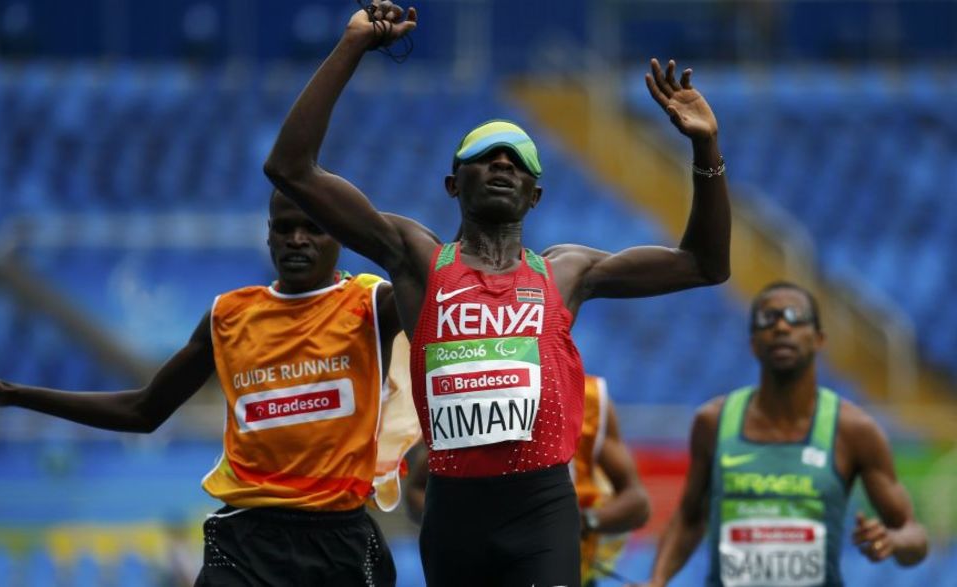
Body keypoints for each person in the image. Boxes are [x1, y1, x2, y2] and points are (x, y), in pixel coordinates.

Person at [263, 2, 730, 584]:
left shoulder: (566, 273)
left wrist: (706, 149)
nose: (503, 163)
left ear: (535, 195)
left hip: (542, 509)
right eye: (485, 158)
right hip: (454, 511)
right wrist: (352, 45)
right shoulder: (417, 260)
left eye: (519, 160)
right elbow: (291, 169)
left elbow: (705, 265)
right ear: (453, 184)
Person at [0, 190, 413, 587]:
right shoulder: (228, 317)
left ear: (340, 235)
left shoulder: (372, 305)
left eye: (314, 228)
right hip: (247, 541)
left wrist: (365, 221)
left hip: (340, 542)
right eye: (284, 227)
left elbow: (426, 267)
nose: (297, 239)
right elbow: (142, 410)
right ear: (268, 234)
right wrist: (13, 394)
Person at [633, 281, 929, 587]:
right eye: (768, 319)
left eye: (795, 317)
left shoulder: (854, 429)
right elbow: (689, 517)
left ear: (819, 340)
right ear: (753, 343)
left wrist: (893, 540)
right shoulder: (714, 422)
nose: (782, 327)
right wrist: (657, 580)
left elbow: (915, 538)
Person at [405, 373, 652, 586]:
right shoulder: (473, 393)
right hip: (480, 569)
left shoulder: (589, 398)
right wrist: (459, 523)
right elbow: (416, 491)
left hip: (569, 570)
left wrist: (584, 521)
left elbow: (638, 503)